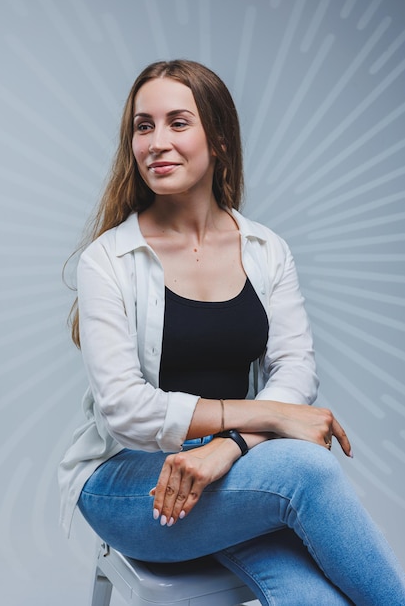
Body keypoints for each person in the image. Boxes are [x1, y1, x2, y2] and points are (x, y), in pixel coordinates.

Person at [59, 59, 405, 605]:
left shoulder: (266, 250)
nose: (156, 142)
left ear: (217, 138)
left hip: (230, 474)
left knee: (317, 600)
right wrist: (264, 416)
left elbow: (296, 370)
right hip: (128, 483)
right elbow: (126, 408)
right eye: (143, 126)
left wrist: (229, 447)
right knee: (306, 468)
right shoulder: (109, 259)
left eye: (178, 122)